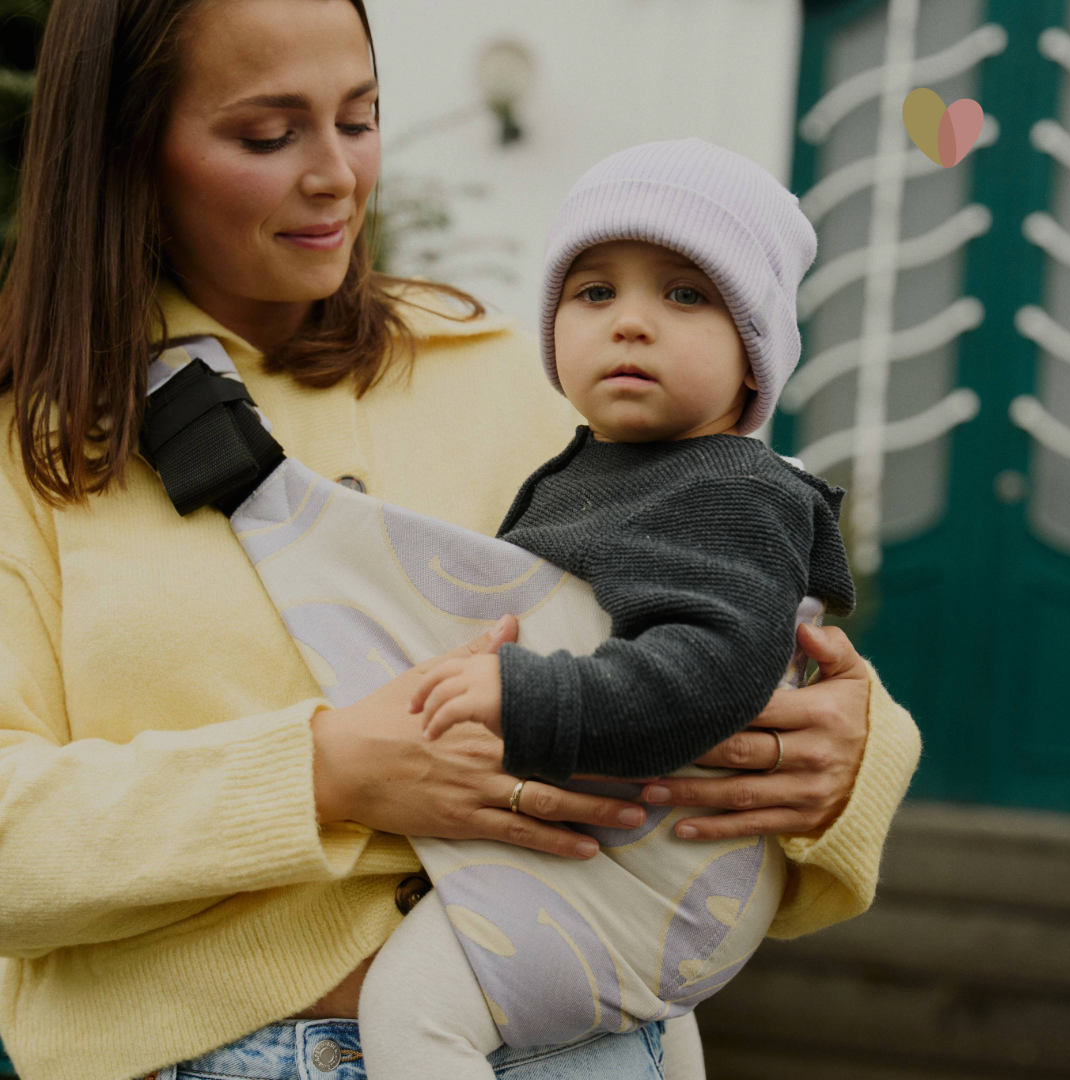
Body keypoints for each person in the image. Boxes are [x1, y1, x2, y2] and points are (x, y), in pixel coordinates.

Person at [0, 1, 921, 1079]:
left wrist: (853, 761)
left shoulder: (521, 377)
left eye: (361, 117)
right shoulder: (29, 455)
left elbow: (728, 623)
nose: (337, 176)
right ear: (126, 148)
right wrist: (325, 774)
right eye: (268, 134)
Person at [354, 139, 854, 1080]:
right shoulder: (606, 474)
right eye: (595, 293)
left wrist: (526, 696)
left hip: (649, 866)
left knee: (415, 1016)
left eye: (685, 295)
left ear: (757, 359)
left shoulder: (734, 493)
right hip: (608, 855)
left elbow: (714, 674)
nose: (631, 323)